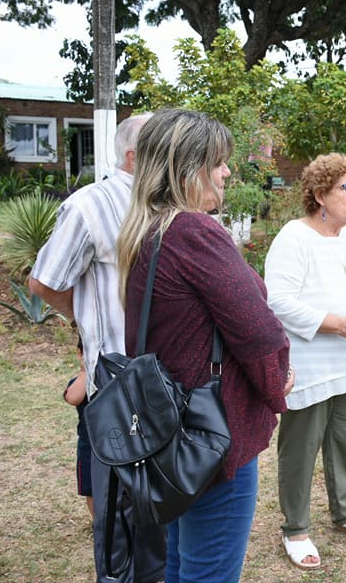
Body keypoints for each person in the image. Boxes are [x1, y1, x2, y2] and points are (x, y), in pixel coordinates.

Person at [116, 108, 293, 583]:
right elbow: (258, 331)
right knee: (207, 573)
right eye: (218, 162)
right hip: (211, 440)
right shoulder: (193, 231)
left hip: (169, 434)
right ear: (188, 167)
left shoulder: (146, 230)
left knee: (178, 564)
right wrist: (279, 382)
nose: (227, 172)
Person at [30, 112, 166, 583]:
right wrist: (89, 324)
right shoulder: (90, 206)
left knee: (159, 502)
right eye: (158, 147)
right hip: (117, 384)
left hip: (166, 381)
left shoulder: (165, 203)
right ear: (133, 156)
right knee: (118, 511)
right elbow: (46, 281)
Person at [264, 152, 346, 570]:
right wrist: (336, 323)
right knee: (301, 448)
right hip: (310, 364)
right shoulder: (293, 236)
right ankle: (296, 528)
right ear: (321, 194)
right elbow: (277, 301)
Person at [63, 335, 92, 518]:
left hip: (114, 440)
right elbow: (73, 398)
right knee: (90, 487)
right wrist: (86, 371)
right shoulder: (79, 381)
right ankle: (98, 522)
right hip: (89, 444)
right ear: (79, 354)